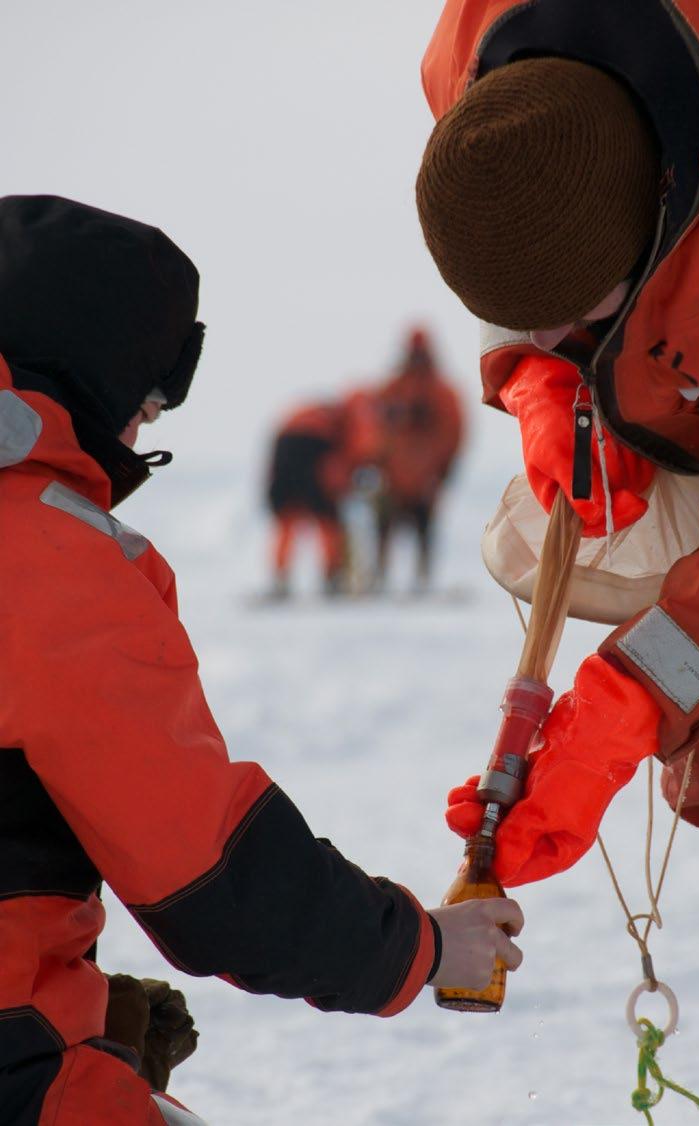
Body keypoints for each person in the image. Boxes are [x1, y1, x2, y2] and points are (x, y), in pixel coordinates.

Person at [0, 195, 525, 1124]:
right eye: (144, 406)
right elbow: (211, 879)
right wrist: (422, 948)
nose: (139, 436)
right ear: (92, 375)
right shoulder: (49, 564)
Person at [415, 5, 699, 1123]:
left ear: (662, 217)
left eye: (576, 312)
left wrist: (627, 703)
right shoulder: (473, 66)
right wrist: (542, 379)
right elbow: (519, 216)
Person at [373, 327, 464, 592]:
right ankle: (389, 578)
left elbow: (452, 433)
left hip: (417, 477)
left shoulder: (430, 391)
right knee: (389, 528)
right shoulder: (400, 388)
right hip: (401, 478)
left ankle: (417, 579)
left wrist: (442, 472)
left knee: (417, 530)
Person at [264, 389, 379, 597]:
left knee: (286, 515)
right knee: (327, 516)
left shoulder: (319, 412)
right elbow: (358, 451)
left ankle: (280, 579)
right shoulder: (353, 418)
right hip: (315, 447)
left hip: (284, 445)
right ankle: (332, 577)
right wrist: (344, 485)